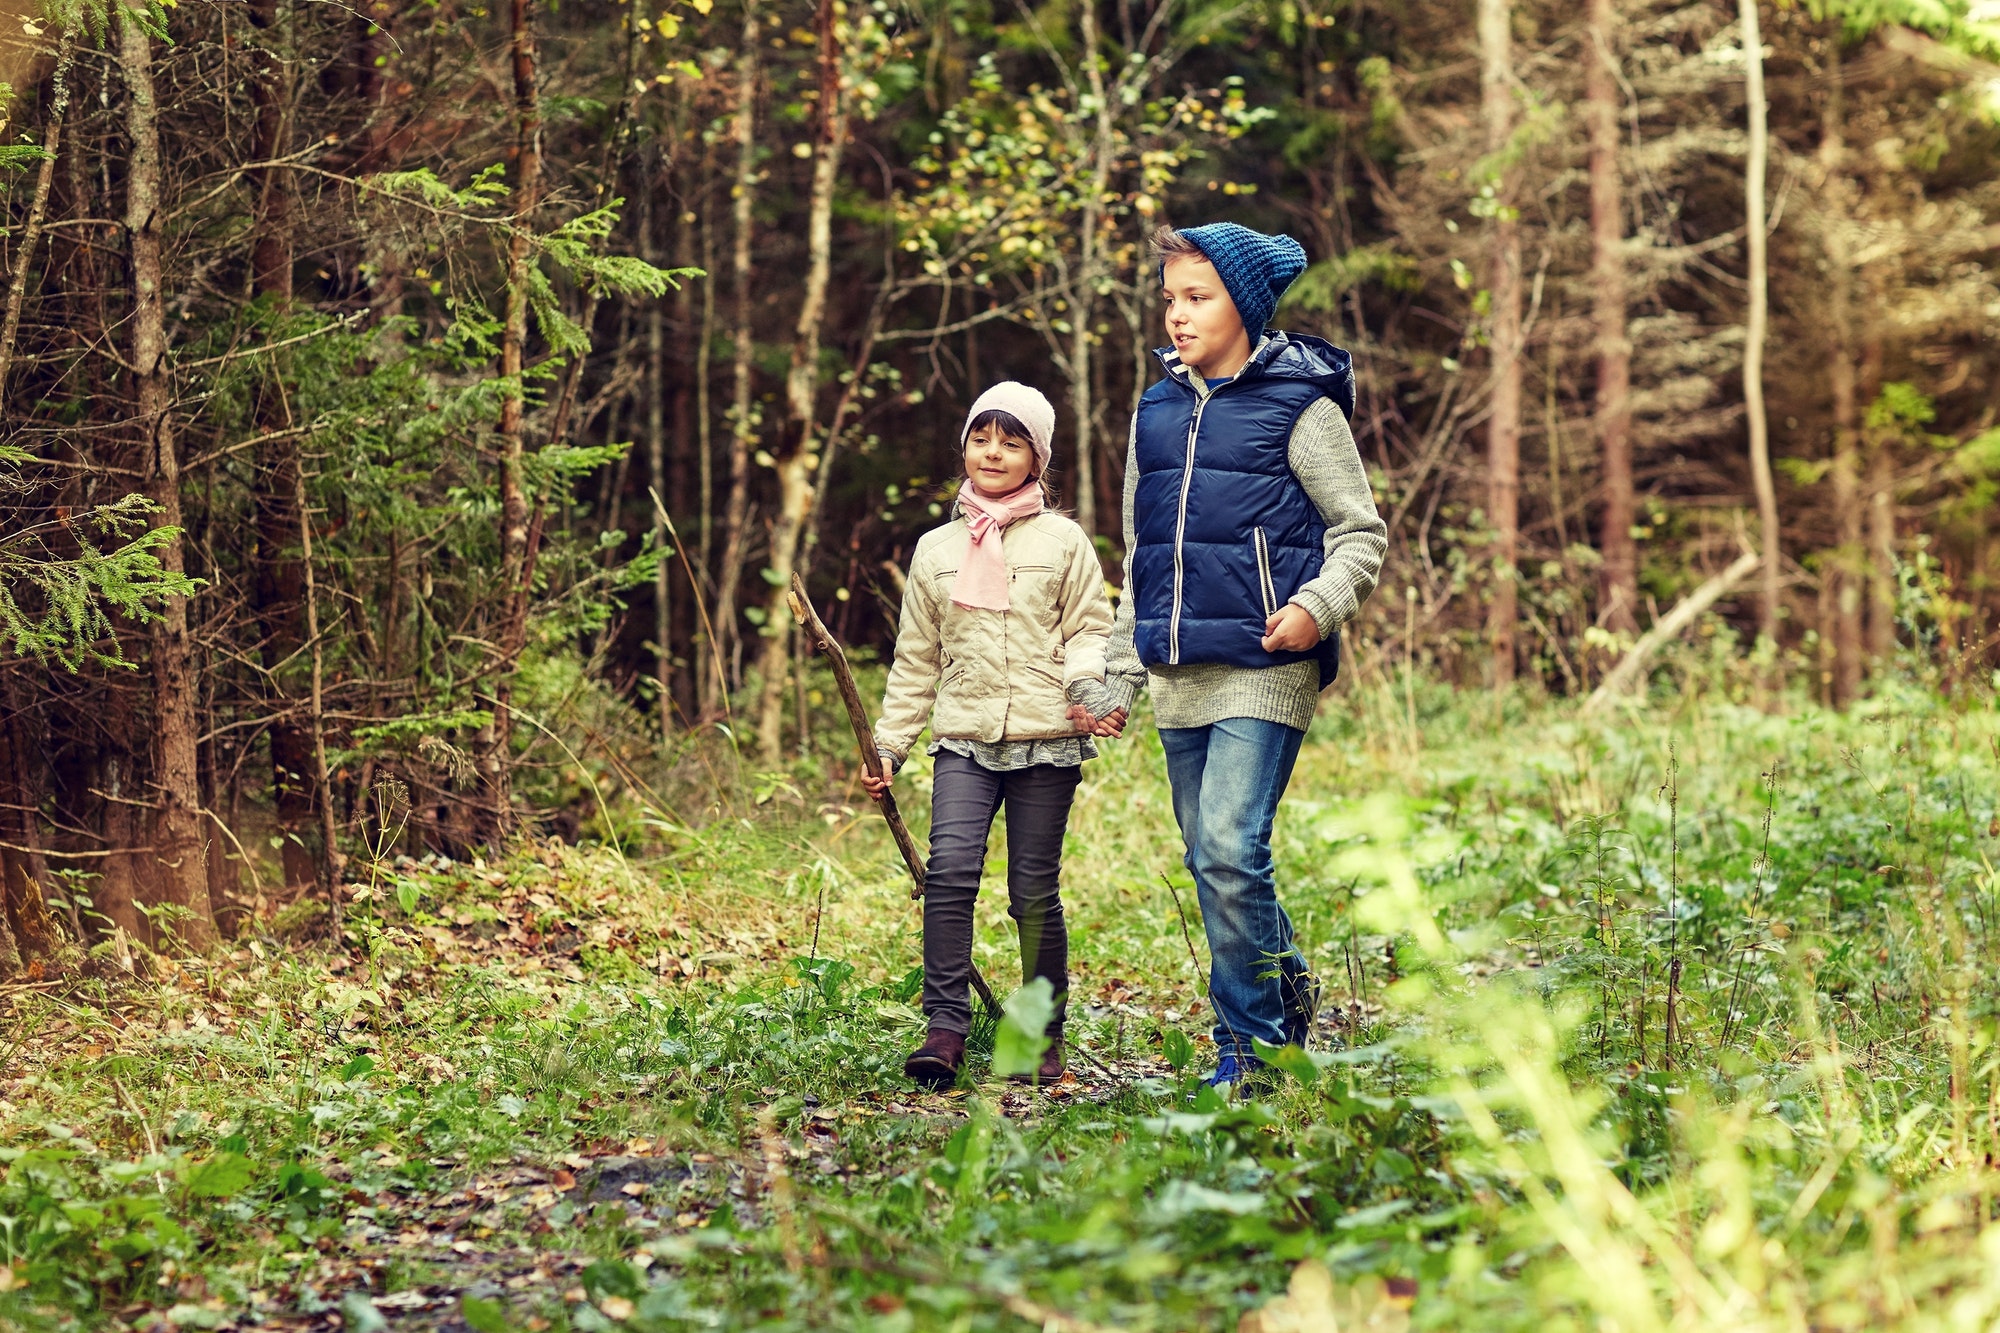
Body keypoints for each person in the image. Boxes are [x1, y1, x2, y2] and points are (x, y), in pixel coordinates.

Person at [1078, 223, 1388, 1091]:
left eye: (1197, 297)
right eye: (1171, 297)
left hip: (1267, 662)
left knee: (1226, 846)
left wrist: (1314, 609)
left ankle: (1247, 1054)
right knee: (1215, 862)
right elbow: (1144, 556)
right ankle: (1286, 985)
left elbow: (1360, 533)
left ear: (1242, 305)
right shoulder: (1156, 409)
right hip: (1180, 672)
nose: (1177, 315)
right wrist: (1117, 674)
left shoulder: (1302, 406)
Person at [865, 382, 1117, 1090]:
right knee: (948, 877)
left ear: (1037, 456)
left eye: (1011, 442)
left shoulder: (1064, 541)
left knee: (1033, 891)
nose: (993, 453)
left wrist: (1087, 692)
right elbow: (916, 659)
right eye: (982, 438)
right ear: (965, 446)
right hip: (966, 740)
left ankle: (1041, 1034)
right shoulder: (936, 549)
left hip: (1045, 737)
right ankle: (944, 1029)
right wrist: (889, 746)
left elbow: (1089, 632)